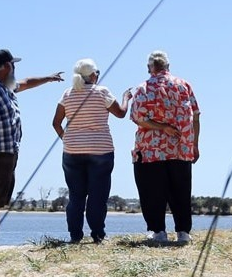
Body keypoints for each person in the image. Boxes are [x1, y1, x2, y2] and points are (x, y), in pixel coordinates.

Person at [0, 49, 64, 253]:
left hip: (7, 152)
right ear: (6, 66)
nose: (15, 69)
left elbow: (26, 82)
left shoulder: (5, 87)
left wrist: (48, 78)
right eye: (13, 65)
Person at [52, 58, 132, 244]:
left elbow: (56, 123)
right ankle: (97, 234)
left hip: (72, 152)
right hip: (100, 150)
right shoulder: (102, 92)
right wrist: (126, 98)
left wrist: (68, 140)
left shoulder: (67, 93)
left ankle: (75, 235)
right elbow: (120, 113)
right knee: (98, 194)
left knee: (76, 195)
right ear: (94, 74)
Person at [130, 50, 201, 243]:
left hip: (150, 150)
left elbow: (137, 117)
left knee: (151, 190)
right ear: (168, 66)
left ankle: (157, 231)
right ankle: (183, 232)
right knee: (181, 190)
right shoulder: (183, 85)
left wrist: (161, 127)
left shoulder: (143, 88)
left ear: (149, 68)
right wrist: (194, 144)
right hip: (181, 147)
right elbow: (195, 115)